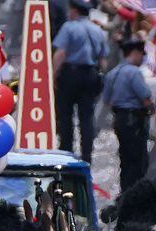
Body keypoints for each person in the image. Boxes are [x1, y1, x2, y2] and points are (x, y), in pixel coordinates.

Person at [52, 0, 107, 164]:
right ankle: (87, 155)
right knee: (87, 117)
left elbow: (60, 53)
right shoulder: (97, 30)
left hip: (70, 73)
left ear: (74, 11)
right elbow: (103, 59)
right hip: (90, 74)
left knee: (65, 114)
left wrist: (54, 74)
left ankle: (67, 151)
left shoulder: (69, 27)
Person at [103, 37, 154, 193]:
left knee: (125, 158)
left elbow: (106, 100)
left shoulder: (112, 73)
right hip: (135, 120)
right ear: (135, 53)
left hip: (120, 119)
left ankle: (124, 191)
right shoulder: (134, 72)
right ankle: (135, 192)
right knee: (138, 161)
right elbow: (145, 98)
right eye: (141, 54)